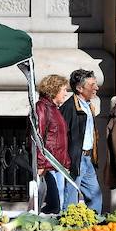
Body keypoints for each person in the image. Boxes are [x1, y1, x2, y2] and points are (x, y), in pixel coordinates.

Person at [59, 69, 102, 213]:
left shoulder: (89, 105)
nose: (96, 88)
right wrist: (66, 160)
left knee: (95, 195)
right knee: (71, 196)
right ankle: (67, 226)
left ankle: (94, 223)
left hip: (88, 158)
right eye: (92, 85)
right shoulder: (69, 108)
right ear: (79, 88)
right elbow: (61, 136)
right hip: (75, 159)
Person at [35, 74, 71, 213]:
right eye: (63, 90)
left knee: (59, 205)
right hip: (48, 165)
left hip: (57, 165)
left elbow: (61, 139)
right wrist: (40, 164)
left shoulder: (55, 109)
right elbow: (38, 136)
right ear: (54, 90)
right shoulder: (42, 107)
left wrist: (65, 163)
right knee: (54, 205)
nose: (66, 93)